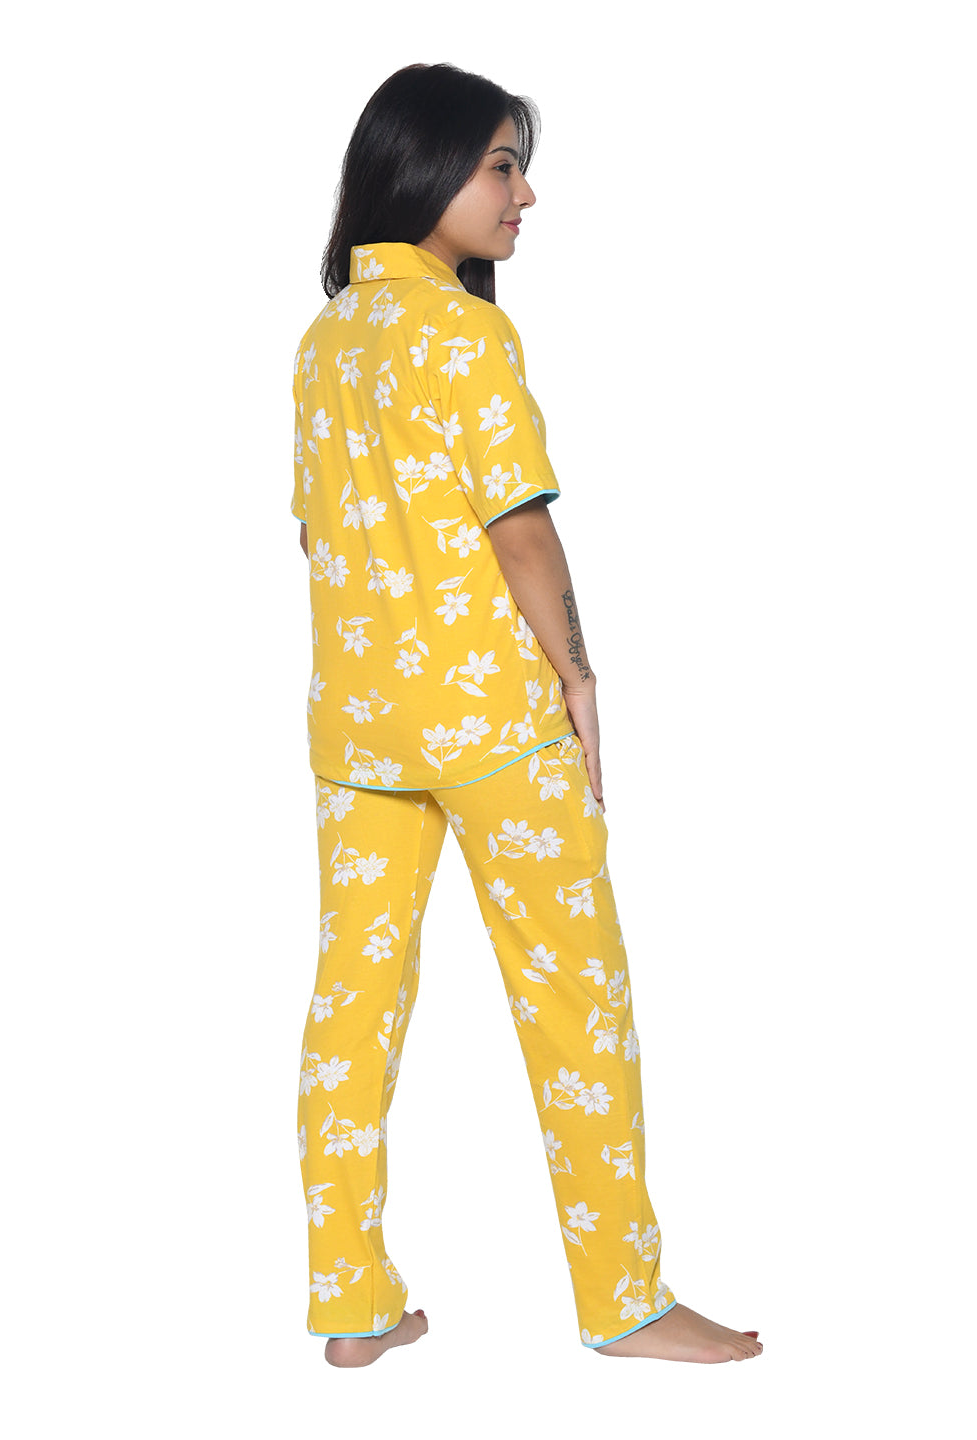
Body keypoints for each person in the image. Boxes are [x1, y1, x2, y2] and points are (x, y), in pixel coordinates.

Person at [291, 62, 762, 1368]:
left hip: (361, 729)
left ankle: (350, 1304)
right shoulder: (463, 335)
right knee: (576, 1003)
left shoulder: (325, 344)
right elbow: (521, 533)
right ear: (424, 165)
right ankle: (626, 1300)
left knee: (352, 1009)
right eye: (502, 164)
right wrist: (579, 677)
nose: (524, 194)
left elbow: (318, 536)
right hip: (495, 723)